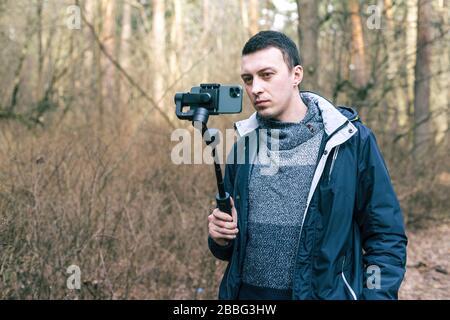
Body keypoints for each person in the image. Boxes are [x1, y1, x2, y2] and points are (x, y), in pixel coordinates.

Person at [207, 30, 407, 300]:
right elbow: (230, 248)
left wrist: (377, 295)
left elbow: (385, 236)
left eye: (266, 75)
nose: (255, 88)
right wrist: (220, 238)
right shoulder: (244, 145)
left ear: (296, 75)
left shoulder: (349, 141)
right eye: (248, 79)